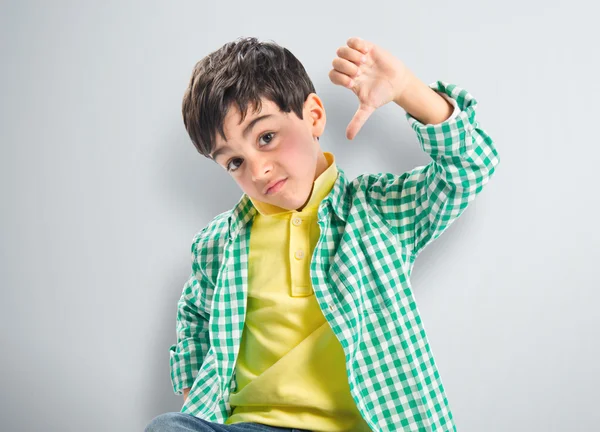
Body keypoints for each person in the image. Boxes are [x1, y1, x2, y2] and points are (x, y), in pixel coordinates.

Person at [145, 36, 500, 432]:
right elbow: (195, 321)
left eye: (266, 137)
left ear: (313, 116)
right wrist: (195, 396)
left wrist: (408, 90)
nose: (258, 171)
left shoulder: (376, 211)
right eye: (235, 162)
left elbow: (470, 166)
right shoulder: (217, 244)